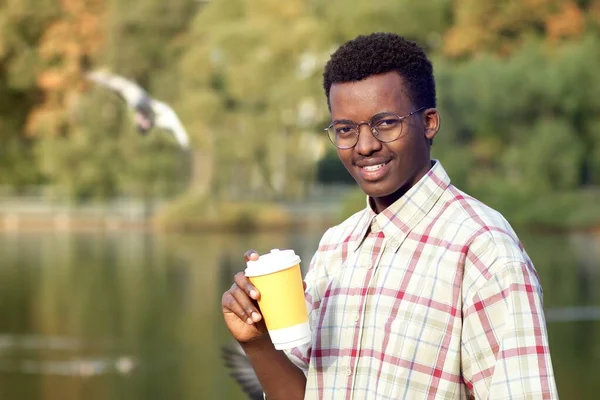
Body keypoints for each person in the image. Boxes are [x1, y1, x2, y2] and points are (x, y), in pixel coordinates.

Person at [221, 32, 558, 399]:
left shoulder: (482, 250)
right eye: (346, 130)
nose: (365, 146)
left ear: (429, 122)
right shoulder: (337, 246)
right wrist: (258, 343)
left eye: (385, 123)